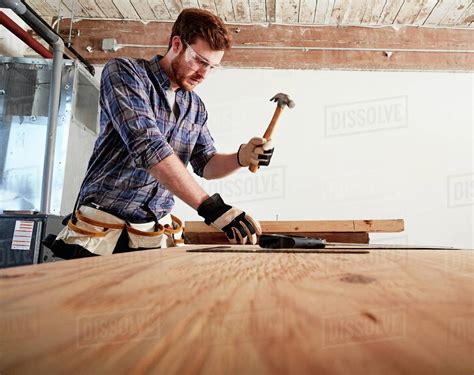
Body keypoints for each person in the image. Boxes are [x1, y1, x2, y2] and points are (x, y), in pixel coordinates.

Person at [46, 8, 275, 259]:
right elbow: (148, 146)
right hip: (100, 229)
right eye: (199, 60)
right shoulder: (125, 73)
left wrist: (241, 157)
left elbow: (205, 164)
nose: (204, 74)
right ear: (177, 44)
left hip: (151, 234)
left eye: (212, 66)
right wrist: (212, 208)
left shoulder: (195, 108)